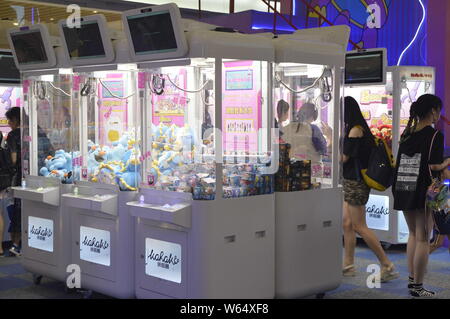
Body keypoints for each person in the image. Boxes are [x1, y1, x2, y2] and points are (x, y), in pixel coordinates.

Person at [392, 94, 450, 297]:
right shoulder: (434, 135)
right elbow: (433, 165)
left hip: (403, 187)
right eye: (438, 111)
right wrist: (446, 162)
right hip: (423, 190)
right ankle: (418, 285)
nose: (438, 115)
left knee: (414, 235)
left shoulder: (407, 133)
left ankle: (412, 279)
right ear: (433, 111)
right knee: (424, 237)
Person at [342, 96, 399, 282]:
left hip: (356, 183)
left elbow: (343, 158)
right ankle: (348, 264)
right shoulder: (358, 128)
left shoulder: (355, 130)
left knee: (359, 226)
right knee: (347, 223)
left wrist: (331, 139)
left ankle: (387, 265)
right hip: (352, 182)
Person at [5, 107, 21, 256]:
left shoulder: (12, 136)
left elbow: (14, 158)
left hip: (16, 179)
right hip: (33, 177)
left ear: (15, 119)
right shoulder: (35, 130)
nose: (9, 123)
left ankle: (15, 245)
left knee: (14, 211)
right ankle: (19, 244)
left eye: (10, 120)